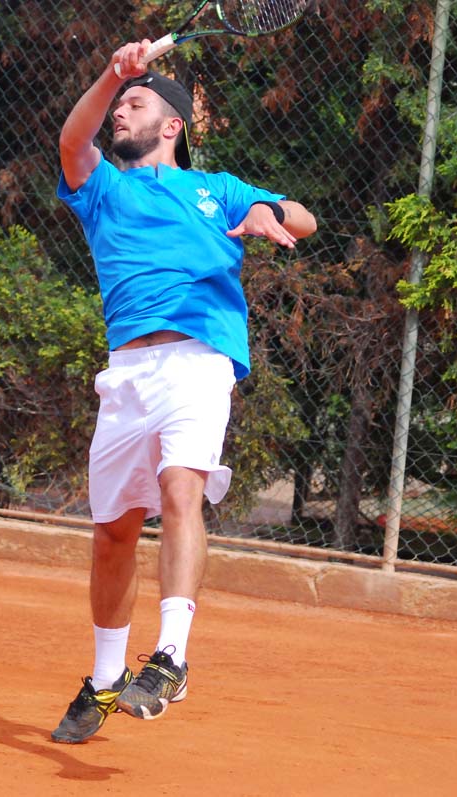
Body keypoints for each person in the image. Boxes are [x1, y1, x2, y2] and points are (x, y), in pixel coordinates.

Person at [49, 39, 317, 745]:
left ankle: (170, 657)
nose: (119, 114)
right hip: (126, 375)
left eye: (134, 103)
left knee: (180, 490)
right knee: (113, 533)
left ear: (171, 124)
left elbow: (303, 217)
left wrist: (268, 212)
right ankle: (106, 680)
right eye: (118, 105)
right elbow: (71, 139)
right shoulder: (103, 189)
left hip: (199, 359)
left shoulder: (216, 189)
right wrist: (113, 74)